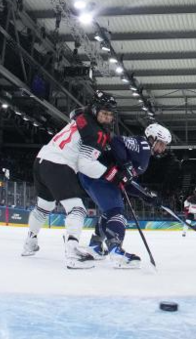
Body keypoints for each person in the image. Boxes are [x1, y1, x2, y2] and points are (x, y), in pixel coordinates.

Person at [20, 91, 133, 269]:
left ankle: (30, 242)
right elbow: (85, 165)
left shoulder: (82, 115)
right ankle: (72, 252)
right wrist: (113, 175)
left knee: (44, 207)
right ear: (95, 110)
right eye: (104, 113)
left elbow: (77, 113)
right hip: (59, 164)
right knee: (77, 210)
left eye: (110, 115)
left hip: (41, 160)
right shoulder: (96, 133)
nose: (107, 118)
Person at [80, 123, 171, 268]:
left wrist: (145, 195)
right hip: (98, 174)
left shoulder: (143, 155)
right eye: (161, 143)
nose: (163, 148)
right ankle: (116, 252)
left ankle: (95, 246)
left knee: (109, 212)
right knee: (117, 212)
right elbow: (116, 141)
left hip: (95, 176)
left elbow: (125, 182)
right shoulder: (143, 145)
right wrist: (126, 165)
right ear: (152, 139)